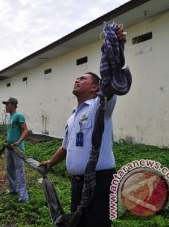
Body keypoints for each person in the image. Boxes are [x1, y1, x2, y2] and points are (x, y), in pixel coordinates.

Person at [39, 27, 127, 226]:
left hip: (101, 182)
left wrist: (114, 48)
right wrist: (50, 162)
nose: (77, 79)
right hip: (77, 183)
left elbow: (111, 82)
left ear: (95, 87)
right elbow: (66, 146)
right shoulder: (73, 116)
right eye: (77, 78)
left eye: (83, 78)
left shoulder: (100, 106)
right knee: (79, 224)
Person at [2, 97, 29, 203]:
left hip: (17, 148)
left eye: (7, 104)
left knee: (19, 171)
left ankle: (23, 196)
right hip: (9, 147)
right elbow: (11, 131)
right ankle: (13, 190)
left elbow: (25, 130)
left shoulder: (18, 115)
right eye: (5, 104)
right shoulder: (10, 117)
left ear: (13, 104)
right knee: (10, 169)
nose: (6, 106)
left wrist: (18, 141)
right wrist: (7, 140)